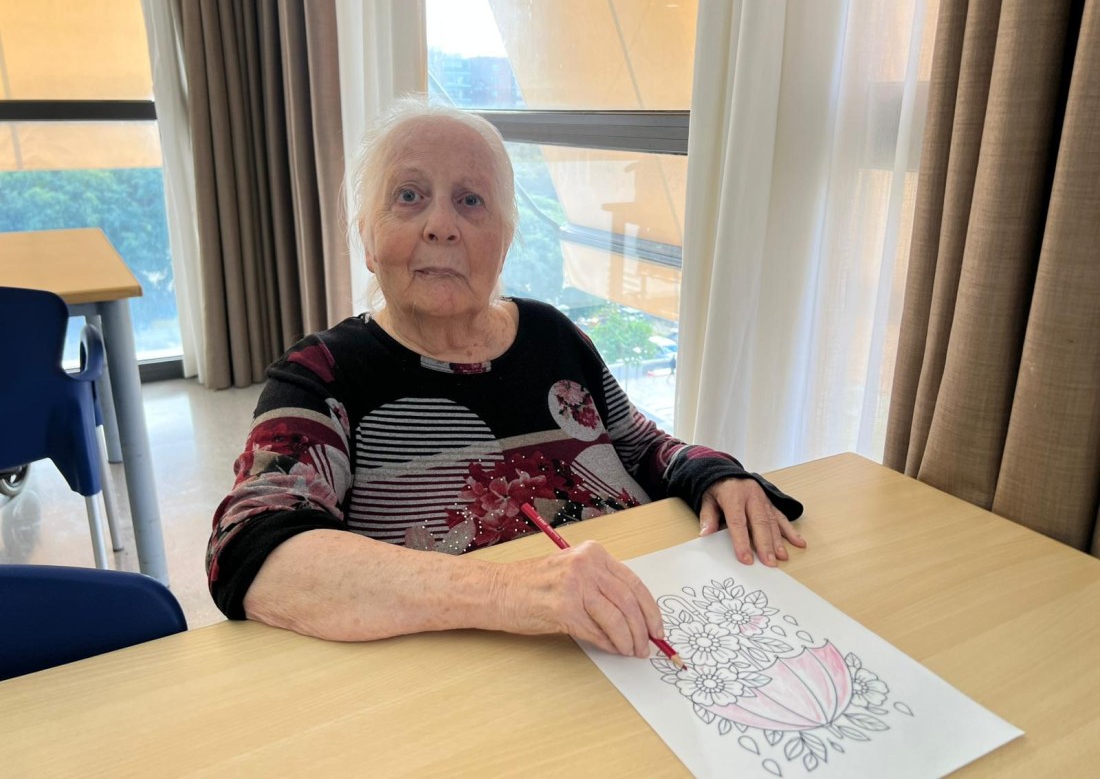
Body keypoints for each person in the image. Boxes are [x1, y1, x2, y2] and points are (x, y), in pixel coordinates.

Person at [206, 98, 806, 660]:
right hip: (488, 677)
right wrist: (511, 591)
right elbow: (251, 551)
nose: (442, 225)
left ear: (505, 240)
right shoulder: (322, 374)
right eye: (410, 196)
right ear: (366, 237)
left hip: (649, 627)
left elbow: (642, 445)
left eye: (471, 201)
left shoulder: (552, 334)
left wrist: (714, 473)